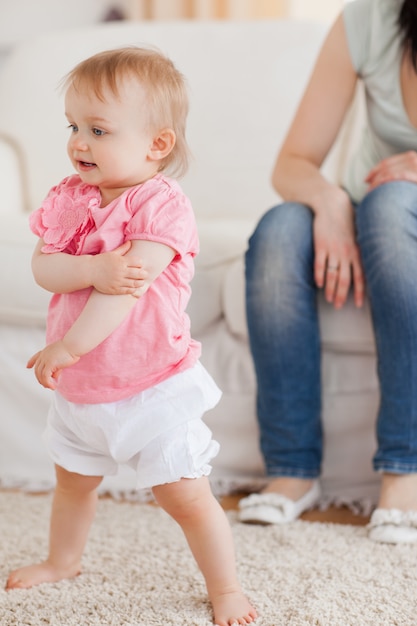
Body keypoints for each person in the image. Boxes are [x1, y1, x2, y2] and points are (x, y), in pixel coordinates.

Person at [5, 46, 257, 626]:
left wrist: (68, 344)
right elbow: (44, 267)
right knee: (73, 484)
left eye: (98, 129)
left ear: (157, 144)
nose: (78, 142)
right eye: (73, 126)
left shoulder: (160, 206)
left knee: (184, 496)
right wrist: (90, 268)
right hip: (84, 389)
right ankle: (62, 560)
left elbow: (124, 291)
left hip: (150, 387)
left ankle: (225, 589)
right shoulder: (70, 197)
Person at [238, 0, 417, 544]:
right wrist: (332, 203)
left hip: (395, 215)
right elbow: (292, 162)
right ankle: (291, 470)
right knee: (279, 228)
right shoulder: (370, 19)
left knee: (389, 208)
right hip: (373, 209)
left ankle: (405, 469)